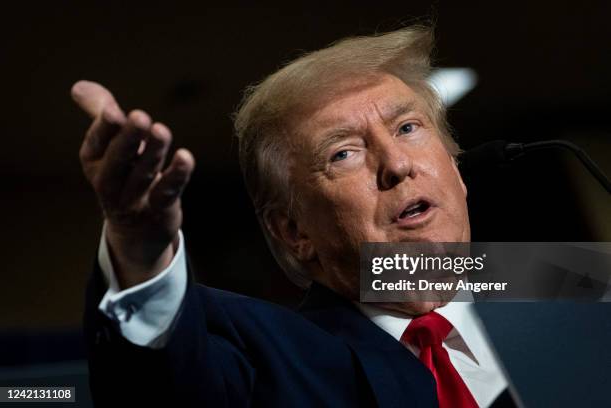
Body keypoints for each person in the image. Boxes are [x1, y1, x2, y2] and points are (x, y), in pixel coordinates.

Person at [74, 26, 513, 407]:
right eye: (343, 153)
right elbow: (161, 391)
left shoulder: (569, 281)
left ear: (455, 167)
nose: (396, 165)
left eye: (407, 128)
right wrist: (138, 250)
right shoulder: (263, 358)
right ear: (294, 231)